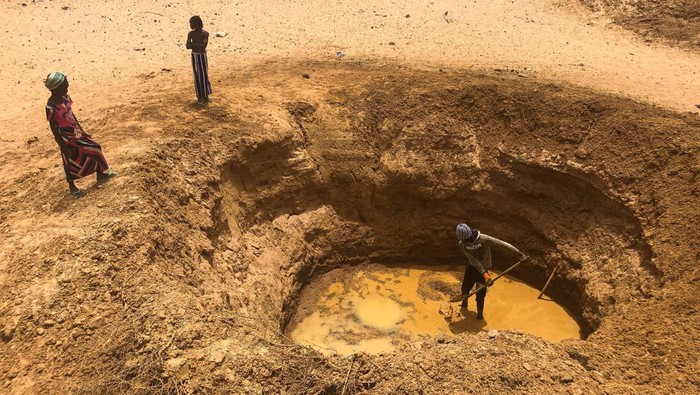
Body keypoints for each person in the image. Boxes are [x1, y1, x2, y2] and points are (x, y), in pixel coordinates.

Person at [45, 72, 116, 197]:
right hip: (66, 137)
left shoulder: (65, 98)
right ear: (56, 89)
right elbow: (53, 127)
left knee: (94, 147)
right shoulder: (51, 106)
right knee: (68, 160)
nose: (67, 87)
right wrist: (61, 143)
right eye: (65, 85)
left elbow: (72, 115)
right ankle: (72, 187)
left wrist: (82, 131)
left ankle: (100, 174)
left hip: (75, 132)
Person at [456, 223, 526, 320]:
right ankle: (464, 304)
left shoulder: (484, 239)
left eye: (468, 240)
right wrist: (486, 276)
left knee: (480, 296)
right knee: (465, 288)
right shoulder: (462, 244)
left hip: (483, 269)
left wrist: (518, 253)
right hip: (472, 268)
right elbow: (474, 260)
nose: (467, 242)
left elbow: (501, 243)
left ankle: (479, 315)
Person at [186, 15, 212, 104]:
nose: (190, 25)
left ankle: (205, 96)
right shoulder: (191, 34)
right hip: (195, 56)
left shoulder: (204, 33)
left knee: (203, 75)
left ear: (196, 24)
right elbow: (187, 46)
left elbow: (202, 46)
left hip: (201, 56)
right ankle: (200, 96)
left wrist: (193, 44)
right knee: (197, 76)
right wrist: (197, 45)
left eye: (191, 23)